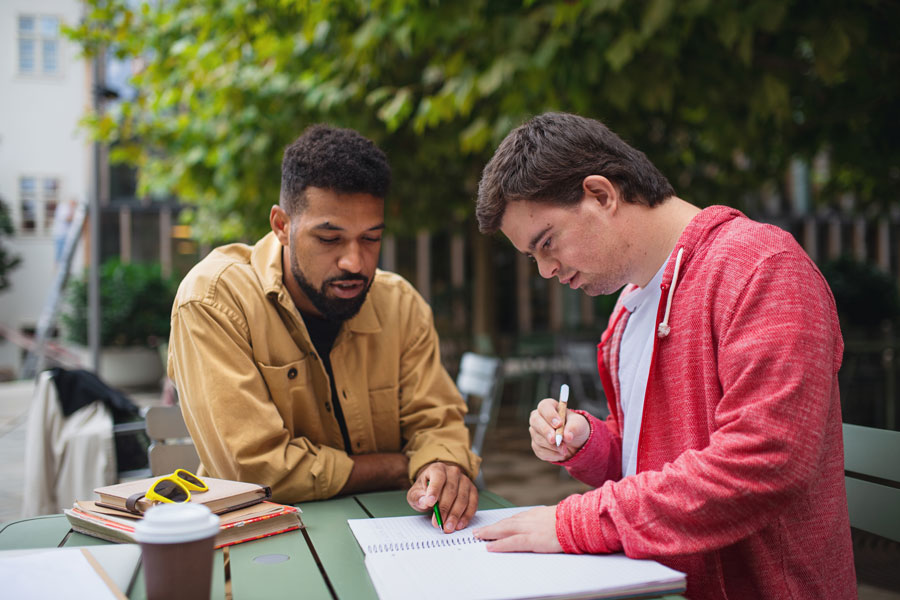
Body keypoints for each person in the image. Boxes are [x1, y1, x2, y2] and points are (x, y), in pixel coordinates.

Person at [471, 112, 855, 599]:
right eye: (532, 257)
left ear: (602, 195)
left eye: (546, 243)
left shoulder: (763, 268)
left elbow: (764, 463)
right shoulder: (627, 314)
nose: (545, 270)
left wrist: (579, 523)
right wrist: (591, 442)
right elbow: (647, 463)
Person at [167, 124, 479, 531]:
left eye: (370, 239)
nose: (355, 262)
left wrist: (442, 464)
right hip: (258, 545)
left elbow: (438, 423)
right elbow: (252, 468)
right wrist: (397, 466)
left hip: (399, 537)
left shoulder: (400, 304)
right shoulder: (213, 300)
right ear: (282, 225)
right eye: (330, 239)